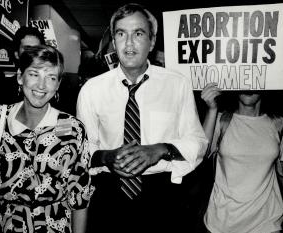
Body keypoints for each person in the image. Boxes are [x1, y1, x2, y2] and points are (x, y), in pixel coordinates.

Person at [76, 3, 208, 233]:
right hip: (109, 197)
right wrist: (107, 157)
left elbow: (197, 142)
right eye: (121, 34)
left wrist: (159, 149)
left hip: (162, 199)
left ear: (152, 41)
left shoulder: (177, 84)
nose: (128, 43)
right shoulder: (91, 89)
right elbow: (81, 150)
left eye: (138, 34)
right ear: (114, 41)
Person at [0, 45, 94, 233]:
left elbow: (80, 198)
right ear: (20, 76)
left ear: (58, 84)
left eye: (51, 78)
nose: (42, 85)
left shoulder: (72, 130)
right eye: (34, 74)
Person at [201, 83, 283, 233]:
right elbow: (199, 154)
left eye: (254, 82)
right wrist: (212, 109)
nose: (249, 87)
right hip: (223, 221)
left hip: (267, 221)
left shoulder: (278, 124)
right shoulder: (221, 120)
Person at [0, 26, 46, 105]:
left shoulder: (50, 86)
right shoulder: (2, 88)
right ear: (16, 54)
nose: (32, 53)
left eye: (36, 49)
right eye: (27, 49)